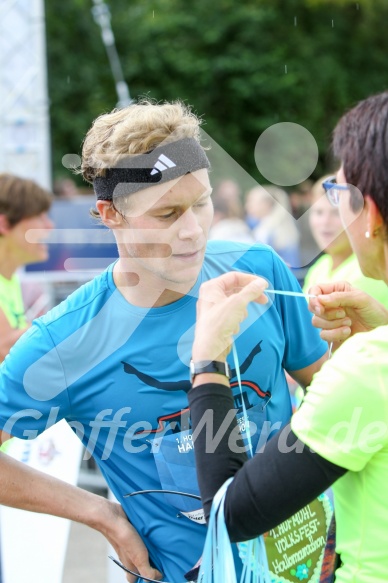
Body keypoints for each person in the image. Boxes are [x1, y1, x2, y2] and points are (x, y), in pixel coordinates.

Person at [0, 100, 327, 582]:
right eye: (168, 212)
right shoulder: (63, 341)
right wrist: (100, 513)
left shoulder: (257, 267)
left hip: (307, 562)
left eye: (201, 202)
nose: (193, 230)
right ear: (109, 214)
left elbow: (327, 391)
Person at [188, 91, 388, 583]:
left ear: (374, 217)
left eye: (338, 196)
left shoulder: (371, 367)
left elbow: (230, 514)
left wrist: (207, 361)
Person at [303, 175, 388, 307]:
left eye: (336, 213)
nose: (325, 222)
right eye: (319, 212)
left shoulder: (369, 269)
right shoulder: (320, 266)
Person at [0, 174, 53, 362]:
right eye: (39, 216)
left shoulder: (9, 278)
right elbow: (4, 347)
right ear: (4, 224)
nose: (49, 226)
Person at [245, 185, 300, 267]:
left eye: (251, 201)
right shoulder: (278, 226)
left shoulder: (268, 232)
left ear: (266, 205)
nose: (247, 206)